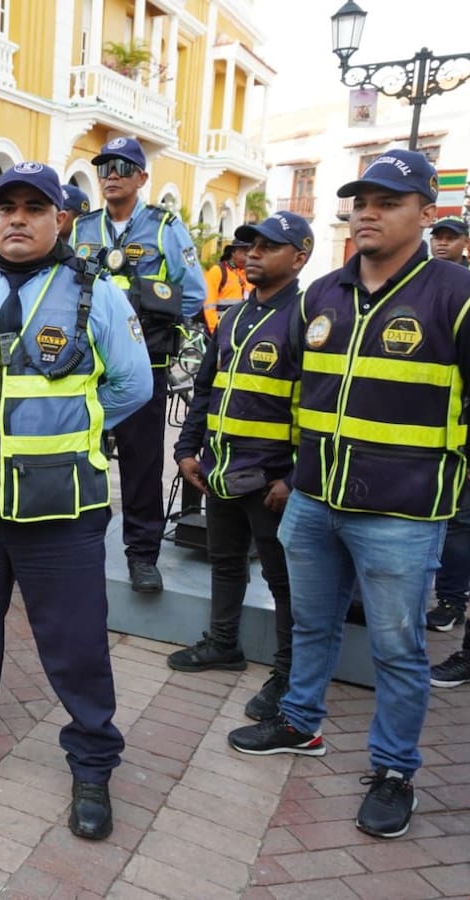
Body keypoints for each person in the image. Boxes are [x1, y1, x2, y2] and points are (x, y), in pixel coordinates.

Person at [227, 149, 470, 841]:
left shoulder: (455, 294)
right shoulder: (321, 295)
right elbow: (296, 394)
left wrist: (450, 483)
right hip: (312, 500)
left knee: (397, 648)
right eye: (361, 199)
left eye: (388, 201)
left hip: (402, 513)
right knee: (310, 624)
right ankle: (301, 725)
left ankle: (394, 770)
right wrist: (284, 474)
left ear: (427, 215)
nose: (367, 211)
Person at [0, 161, 152, 842]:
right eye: (5, 207)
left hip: (62, 509)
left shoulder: (93, 289)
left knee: (74, 646)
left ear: (59, 219)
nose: (16, 218)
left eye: (33, 208)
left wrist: (71, 432)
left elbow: (132, 387)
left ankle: (93, 762)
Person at [169, 212, 314, 722]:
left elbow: (319, 405)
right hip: (223, 470)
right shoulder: (232, 316)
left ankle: (288, 672)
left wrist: (294, 479)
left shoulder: (307, 317)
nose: (252, 254)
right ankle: (223, 644)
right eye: (249, 245)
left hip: (271, 481)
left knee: (283, 581)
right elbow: (204, 389)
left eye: (268, 246)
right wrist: (188, 450)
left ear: (299, 258)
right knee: (225, 561)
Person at [71, 137, 206, 593]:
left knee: (142, 464)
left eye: (124, 168)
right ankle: (79, 544)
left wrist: (147, 316)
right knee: (81, 453)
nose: (112, 174)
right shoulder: (83, 228)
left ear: (142, 178)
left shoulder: (164, 226)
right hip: (88, 363)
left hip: (145, 362)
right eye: (106, 166)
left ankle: (142, 555)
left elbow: (193, 293)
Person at [201, 240, 250, 334]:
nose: (248, 257)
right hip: (219, 329)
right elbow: (209, 306)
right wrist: (216, 332)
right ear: (233, 252)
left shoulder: (247, 274)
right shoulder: (218, 271)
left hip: (238, 330)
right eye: (244, 253)